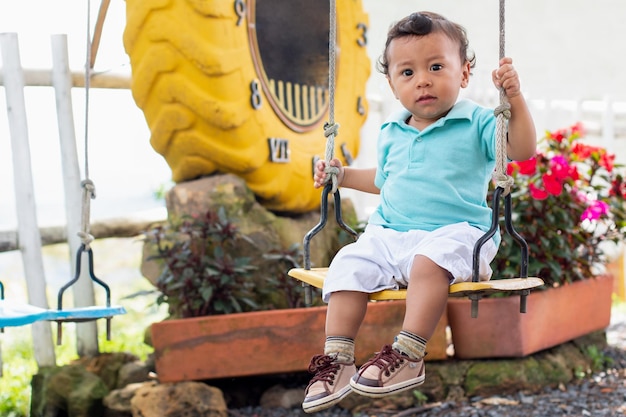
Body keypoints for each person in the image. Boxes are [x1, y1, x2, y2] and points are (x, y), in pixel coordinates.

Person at [301, 11, 537, 413]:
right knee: (348, 263)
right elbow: (385, 180)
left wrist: (513, 98)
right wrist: (340, 175)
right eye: (407, 72)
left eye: (436, 66)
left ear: (464, 74)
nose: (422, 79)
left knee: (430, 261)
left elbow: (521, 149)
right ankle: (337, 360)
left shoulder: (478, 121)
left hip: (458, 235)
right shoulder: (391, 131)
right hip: (389, 234)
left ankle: (409, 353)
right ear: (393, 86)